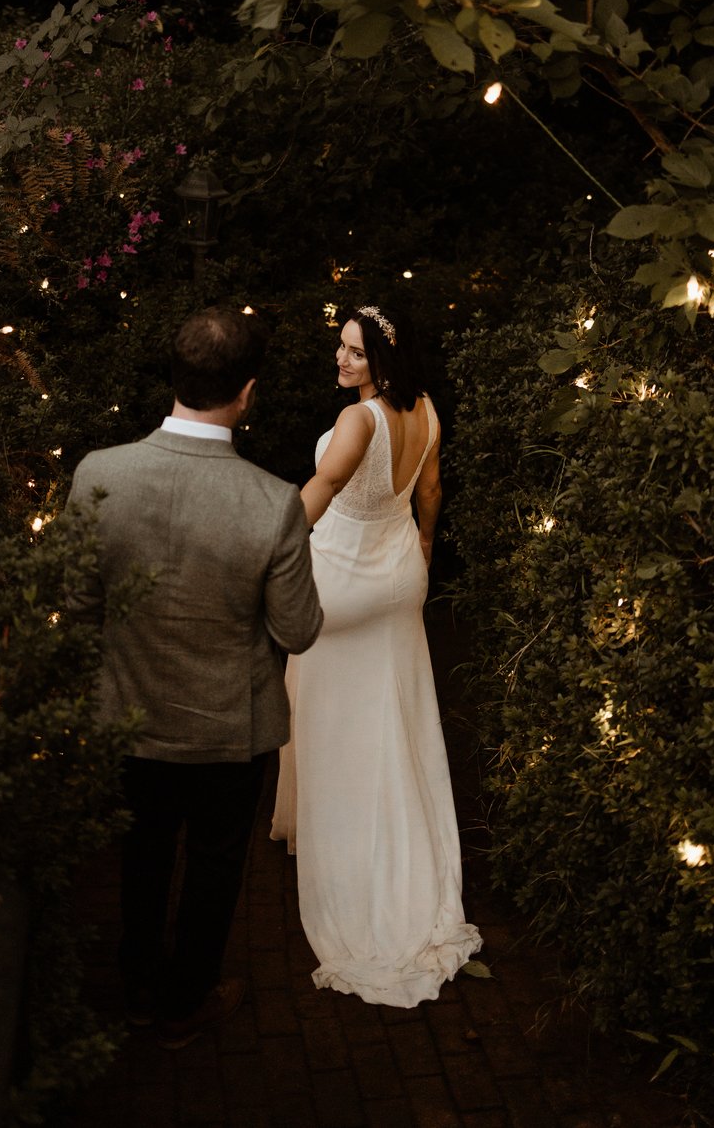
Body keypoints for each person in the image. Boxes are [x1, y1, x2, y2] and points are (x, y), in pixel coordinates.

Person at [66, 306, 322, 1048]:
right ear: (247, 393)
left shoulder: (99, 475)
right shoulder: (273, 502)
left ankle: (138, 988)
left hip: (129, 717)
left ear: (174, 379)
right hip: (228, 733)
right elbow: (298, 629)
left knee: (141, 854)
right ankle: (184, 1002)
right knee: (213, 870)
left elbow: (74, 602)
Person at [271, 304, 481, 1007]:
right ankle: (402, 832)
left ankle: (342, 841)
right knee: (396, 716)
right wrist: (421, 554)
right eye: (340, 348)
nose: (341, 360)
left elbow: (321, 494)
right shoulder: (425, 409)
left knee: (326, 714)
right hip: (397, 580)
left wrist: (267, 551)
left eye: (355, 353)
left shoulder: (361, 421)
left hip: (341, 584)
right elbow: (430, 493)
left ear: (383, 359)